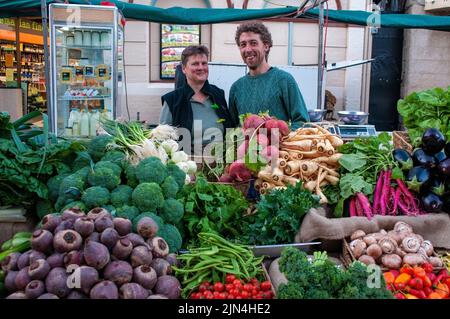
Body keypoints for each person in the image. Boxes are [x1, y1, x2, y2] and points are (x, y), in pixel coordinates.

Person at [229, 22, 310, 129]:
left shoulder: (284, 80)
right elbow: (233, 128)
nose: (248, 49)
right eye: (243, 44)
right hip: (246, 145)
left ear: (266, 46)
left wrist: (281, 138)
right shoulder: (236, 88)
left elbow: (302, 122)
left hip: (278, 145)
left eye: (253, 43)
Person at [160, 45, 236, 151]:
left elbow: (229, 130)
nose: (201, 67)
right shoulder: (172, 101)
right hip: (187, 163)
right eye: (195, 64)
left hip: (220, 161)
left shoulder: (218, 95)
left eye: (204, 63)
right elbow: (163, 141)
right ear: (183, 68)